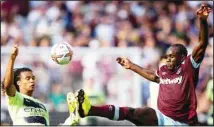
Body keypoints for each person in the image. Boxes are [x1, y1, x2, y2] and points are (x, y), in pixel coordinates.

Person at [70, 4, 212, 126]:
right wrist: (131, 66)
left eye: (172, 56)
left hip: (184, 122)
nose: (168, 59)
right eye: (167, 56)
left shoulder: (188, 66)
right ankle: (89, 110)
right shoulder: (163, 70)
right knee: (136, 112)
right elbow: (153, 76)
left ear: (182, 57)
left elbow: (202, 44)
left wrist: (203, 21)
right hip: (163, 118)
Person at [3, 44, 80, 125]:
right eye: (28, 78)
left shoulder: (42, 106)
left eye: (33, 78)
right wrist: (12, 58)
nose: (32, 80)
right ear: (18, 82)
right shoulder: (15, 98)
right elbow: (7, 85)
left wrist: (67, 123)